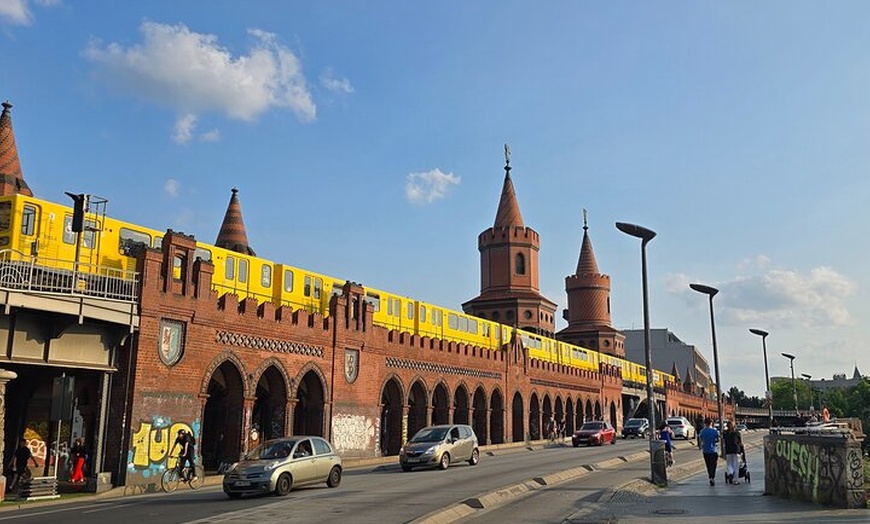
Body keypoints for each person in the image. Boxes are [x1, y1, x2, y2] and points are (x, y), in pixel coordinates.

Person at [698, 417, 720, 486]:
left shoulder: (702, 431)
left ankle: (710, 477)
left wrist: (701, 445)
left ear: (705, 423)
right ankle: (712, 477)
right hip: (713, 450)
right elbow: (717, 439)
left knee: (708, 465)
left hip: (705, 450)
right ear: (711, 423)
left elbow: (700, 440)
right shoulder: (714, 431)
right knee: (713, 465)